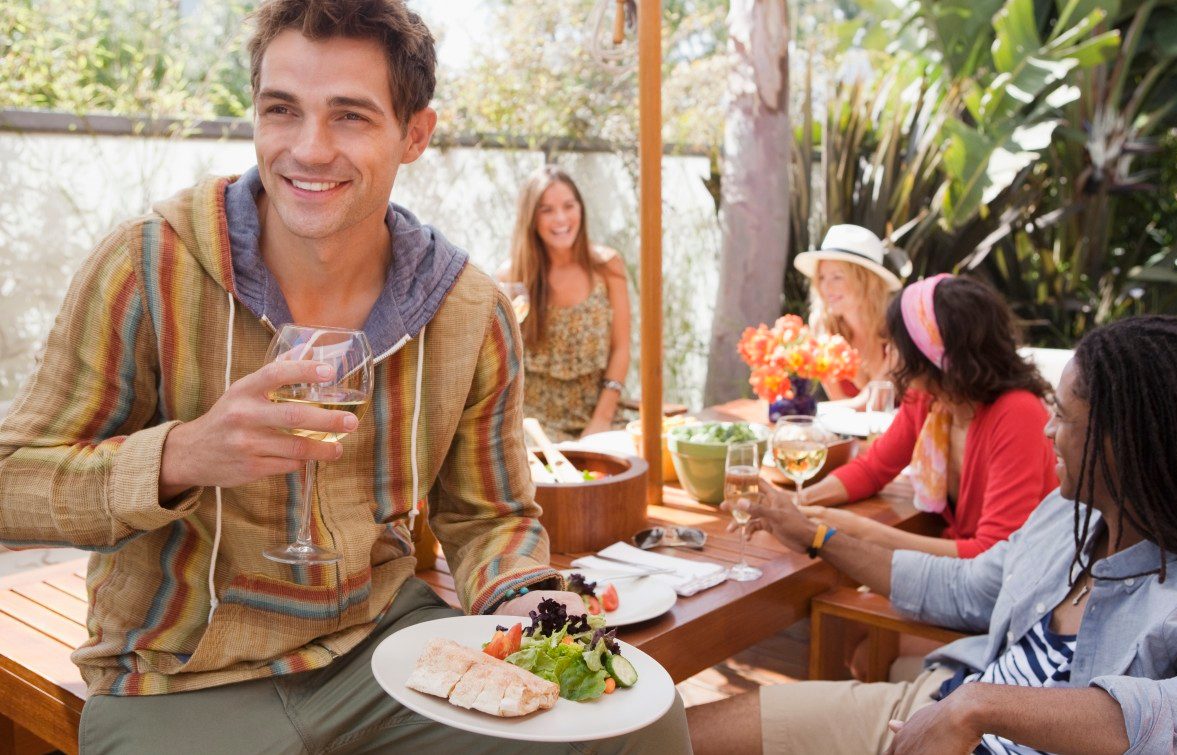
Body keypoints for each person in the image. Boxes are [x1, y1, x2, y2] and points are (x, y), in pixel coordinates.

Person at [0, 1, 689, 752]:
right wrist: (181, 455)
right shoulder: (146, 267)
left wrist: (527, 594)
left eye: (351, 117)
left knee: (641, 728)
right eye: (282, 110)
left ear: (416, 134)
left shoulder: (468, 309)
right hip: (178, 672)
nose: (308, 148)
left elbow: (488, 514)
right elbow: (11, 484)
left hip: (384, 644)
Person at [691, 315, 1177, 755]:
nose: (1048, 430)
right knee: (681, 734)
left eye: (1065, 419)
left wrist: (982, 708)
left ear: (1127, 444)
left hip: (964, 715)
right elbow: (966, 585)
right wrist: (814, 534)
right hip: (931, 710)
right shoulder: (1066, 517)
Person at [784, 274, 1057, 560]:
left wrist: (863, 532)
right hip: (966, 572)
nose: (887, 351)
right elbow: (873, 469)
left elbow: (994, 553)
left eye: (896, 342)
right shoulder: (931, 399)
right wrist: (797, 501)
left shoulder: (1017, 414)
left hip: (1023, 583)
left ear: (929, 351)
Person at [500, 165, 631, 441]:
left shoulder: (608, 267)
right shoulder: (512, 277)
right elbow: (500, 361)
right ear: (531, 218)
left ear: (580, 209)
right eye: (546, 210)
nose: (561, 218)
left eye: (568, 206)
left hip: (599, 417)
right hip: (533, 425)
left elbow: (621, 350)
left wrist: (601, 421)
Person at [792, 225, 901, 404]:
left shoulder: (896, 326)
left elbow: (879, 400)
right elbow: (839, 401)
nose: (825, 287)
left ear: (866, 280)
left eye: (837, 277)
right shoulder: (822, 324)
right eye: (821, 277)